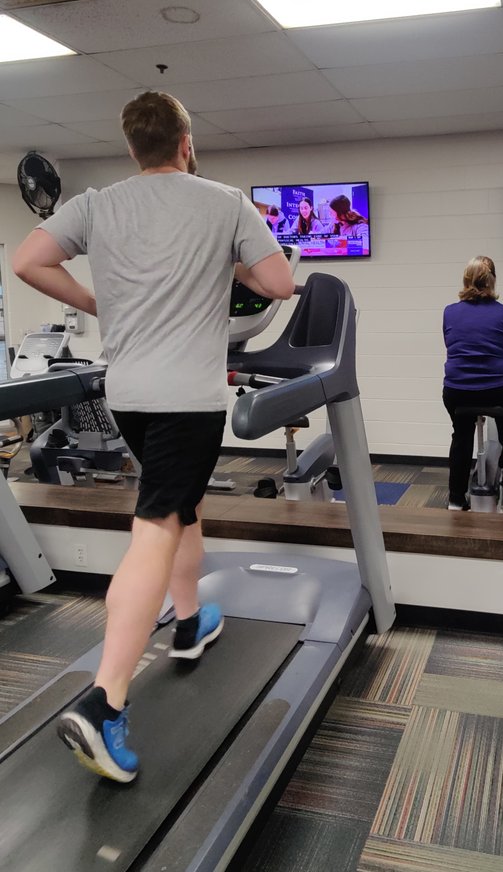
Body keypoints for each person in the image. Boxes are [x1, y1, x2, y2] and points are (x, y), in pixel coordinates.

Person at [12, 91, 294, 783]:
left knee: (180, 506)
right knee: (156, 527)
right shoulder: (224, 202)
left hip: (129, 395)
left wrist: (97, 302)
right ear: (186, 144)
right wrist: (231, 264)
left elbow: (28, 261)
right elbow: (279, 282)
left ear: (133, 147)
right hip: (187, 401)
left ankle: (190, 620)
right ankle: (104, 701)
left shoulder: (97, 204)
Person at [442, 256, 503, 511]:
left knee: (461, 434)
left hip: (457, 391)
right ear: (492, 280)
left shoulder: (449, 312)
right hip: (496, 390)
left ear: (465, 280)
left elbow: (452, 344)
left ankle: (456, 499)